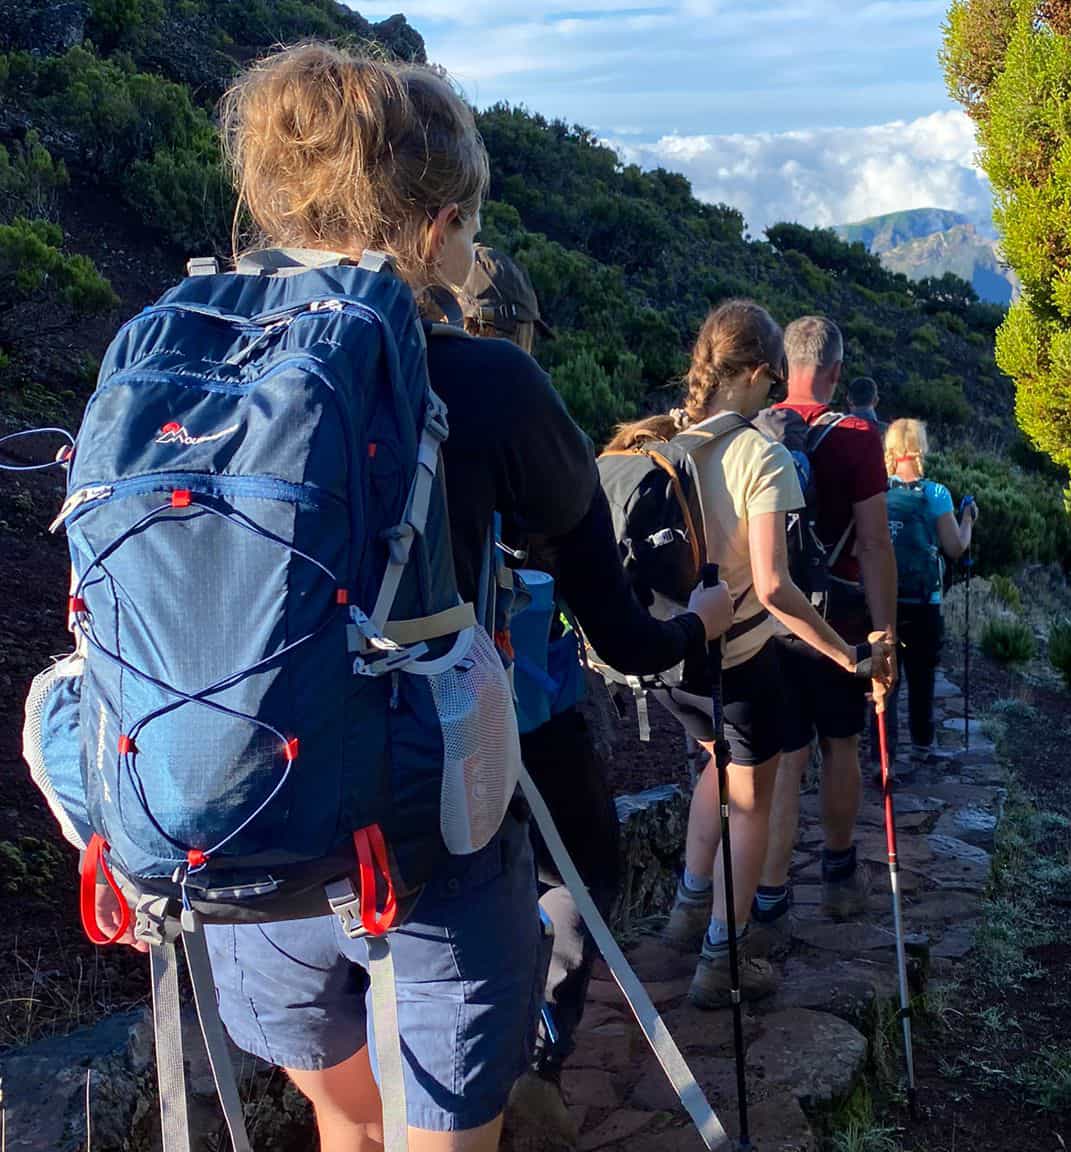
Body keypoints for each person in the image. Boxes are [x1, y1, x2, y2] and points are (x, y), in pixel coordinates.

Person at [87, 45, 734, 1152]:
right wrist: (698, 625)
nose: (473, 255)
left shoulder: (166, 362)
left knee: (350, 1131)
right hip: (423, 855)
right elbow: (617, 630)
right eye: (470, 231)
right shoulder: (488, 382)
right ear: (435, 229)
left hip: (236, 834)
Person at [458, 247, 731, 1147]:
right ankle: (535, 1065)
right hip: (524, 721)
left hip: (374, 723)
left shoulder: (357, 392)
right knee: (578, 878)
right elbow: (623, 638)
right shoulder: (518, 413)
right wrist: (700, 625)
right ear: (519, 334)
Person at [624, 300, 891, 1009]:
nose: (777, 395)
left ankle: (686, 911)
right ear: (758, 374)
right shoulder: (759, 455)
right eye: (774, 384)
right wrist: (843, 654)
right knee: (751, 802)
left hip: (673, 662)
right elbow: (774, 587)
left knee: (716, 766)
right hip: (738, 661)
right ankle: (725, 956)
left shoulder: (658, 437)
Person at [756, 318, 897, 945]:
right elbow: (872, 542)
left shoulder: (753, 432)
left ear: (786, 365)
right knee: (842, 744)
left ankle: (768, 897)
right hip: (839, 622)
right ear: (837, 372)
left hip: (770, 619)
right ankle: (839, 878)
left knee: (784, 756)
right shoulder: (860, 436)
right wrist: (885, 632)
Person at [884, 418, 977, 759]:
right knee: (921, 678)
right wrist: (968, 518)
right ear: (921, 448)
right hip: (924, 601)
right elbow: (955, 548)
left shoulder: (877, 492)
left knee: (885, 679)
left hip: (882, 599)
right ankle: (923, 745)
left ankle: (884, 752)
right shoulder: (936, 494)